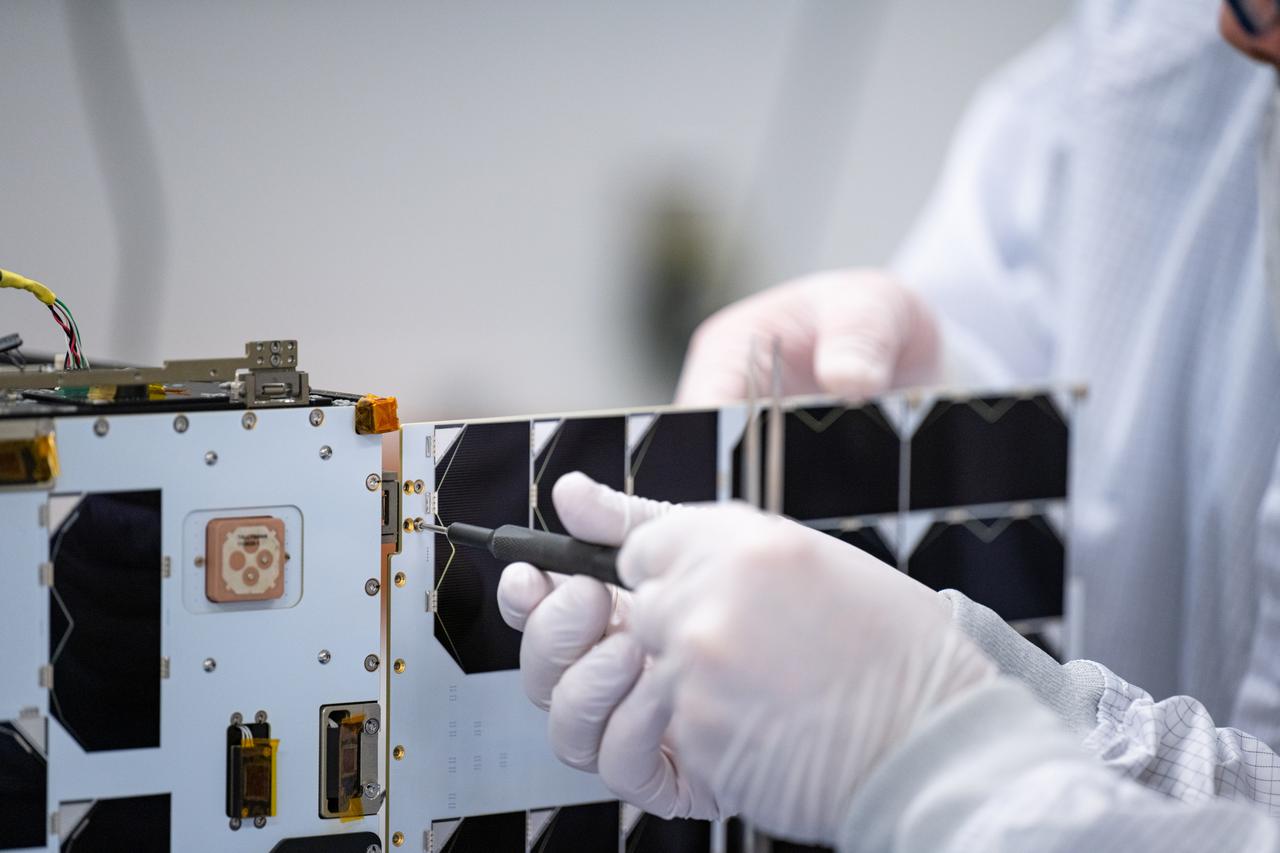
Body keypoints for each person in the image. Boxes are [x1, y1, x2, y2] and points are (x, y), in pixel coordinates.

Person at [498, 0, 1280, 849]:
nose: (1238, 32)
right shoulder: (1149, 31)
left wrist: (935, 745)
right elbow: (1070, 327)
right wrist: (954, 420)